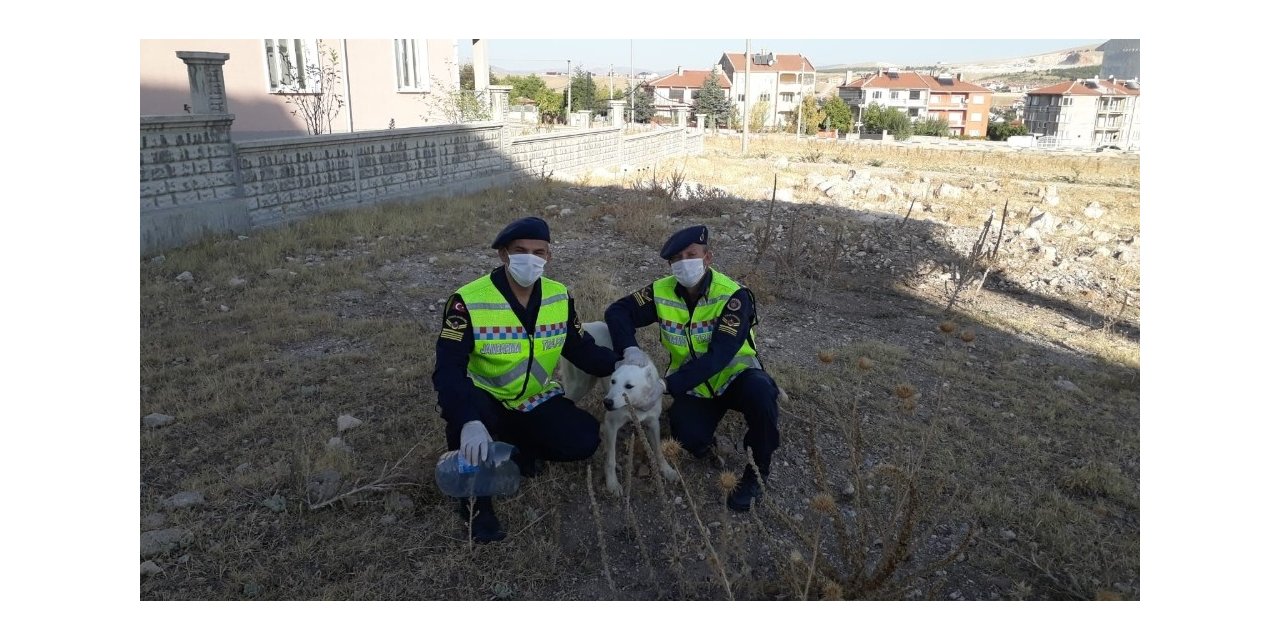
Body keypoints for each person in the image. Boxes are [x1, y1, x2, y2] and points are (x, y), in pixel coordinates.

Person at [432, 216, 620, 542]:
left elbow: (581, 350)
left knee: (584, 438)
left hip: (533, 398)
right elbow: (448, 369)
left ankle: (517, 450)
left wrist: (623, 363)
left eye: (538, 252)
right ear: (503, 254)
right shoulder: (468, 301)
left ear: (548, 256)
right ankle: (476, 506)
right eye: (520, 251)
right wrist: (467, 420)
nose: (530, 259)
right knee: (469, 427)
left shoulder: (559, 297)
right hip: (485, 397)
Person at [604, 224, 781, 512]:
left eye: (691, 255)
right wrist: (629, 348)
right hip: (696, 386)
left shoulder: (733, 296)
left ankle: (756, 474)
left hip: (736, 378)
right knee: (687, 438)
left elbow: (719, 355)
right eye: (676, 258)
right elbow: (617, 311)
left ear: (707, 257)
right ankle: (707, 441)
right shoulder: (660, 291)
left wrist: (664, 385)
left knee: (761, 395)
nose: (684, 263)